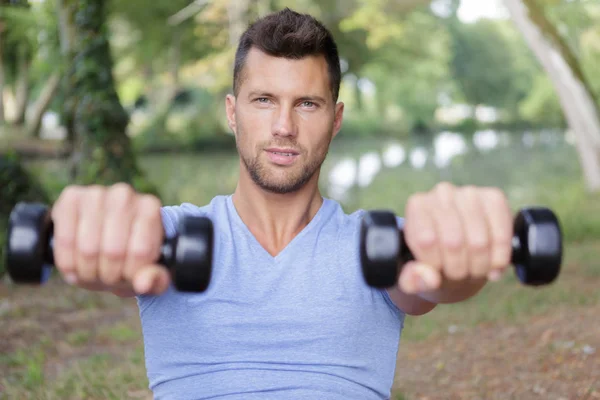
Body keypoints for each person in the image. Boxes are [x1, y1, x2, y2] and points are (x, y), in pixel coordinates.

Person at [49, 8, 514, 400]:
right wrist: (86, 232)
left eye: (307, 104)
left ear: (336, 117)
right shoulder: (173, 235)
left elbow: (436, 282)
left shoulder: (375, 242)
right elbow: (112, 256)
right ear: (233, 112)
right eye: (264, 100)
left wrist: (463, 262)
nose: (284, 126)